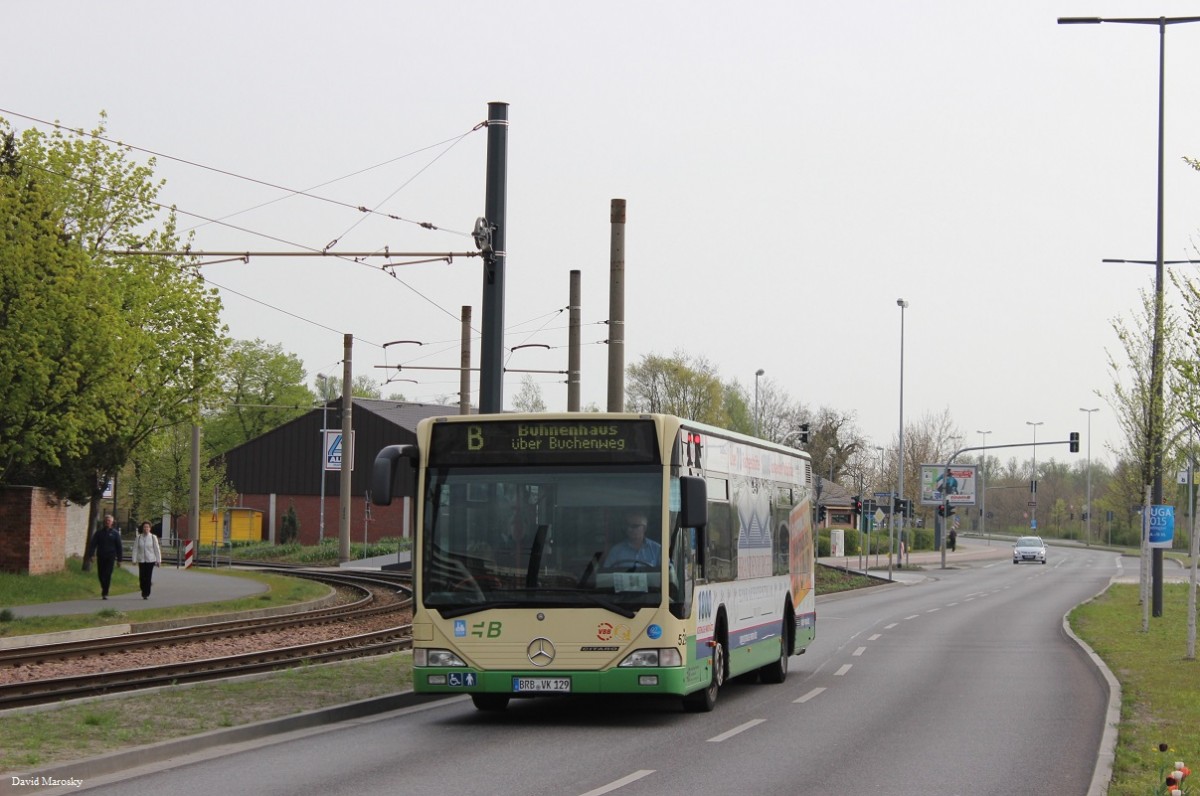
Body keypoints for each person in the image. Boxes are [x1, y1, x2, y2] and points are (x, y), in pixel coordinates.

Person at [89, 514, 124, 599]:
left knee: (108, 574)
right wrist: (92, 554)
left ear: (112, 522)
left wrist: (119, 560)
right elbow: (93, 544)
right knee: (101, 574)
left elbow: (119, 547)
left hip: (110, 557)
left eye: (109, 521)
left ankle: (105, 592)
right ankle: (104, 587)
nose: (107, 522)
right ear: (104, 522)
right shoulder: (99, 533)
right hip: (101, 556)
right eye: (106, 520)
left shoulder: (115, 534)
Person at [132, 520, 162, 599]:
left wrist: (158, 560)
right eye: (145, 527)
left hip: (150, 560)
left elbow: (157, 549)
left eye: (147, 527)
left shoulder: (153, 537)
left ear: (150, 528)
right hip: (141, 560)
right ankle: (143, 588)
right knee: (142, 577)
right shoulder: (138, 537)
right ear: (142, 528)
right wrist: (134, 559)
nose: (146, 528)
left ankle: (146, 593)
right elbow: (135, 549)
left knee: (148, 577)